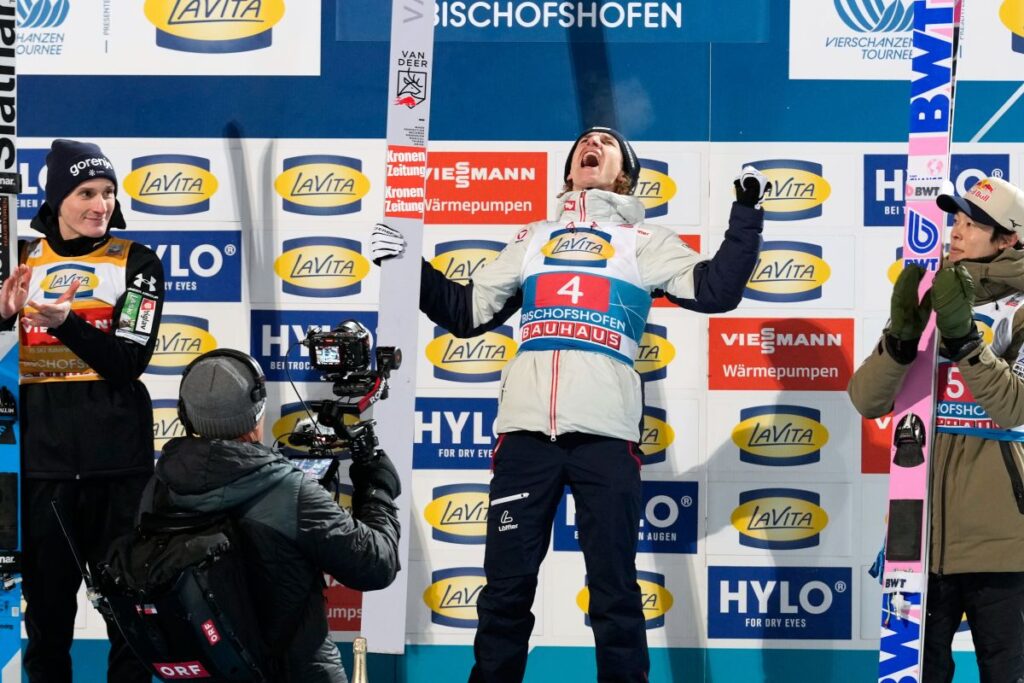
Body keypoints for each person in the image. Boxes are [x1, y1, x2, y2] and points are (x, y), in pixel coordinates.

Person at [372, 126, 766, 683]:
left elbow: (717, 290)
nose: (591, 145)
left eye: (606, 144)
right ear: (569, 170)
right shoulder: (534, 238)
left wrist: (746, 214)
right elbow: (466, 311)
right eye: (584, 142)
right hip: (526, 439)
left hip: (604, 439)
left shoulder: (643, 241)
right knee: (505, 593)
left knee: (614, 591)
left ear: (625, 175)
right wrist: (405, 265)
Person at [0, 140, 165, 682]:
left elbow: (128, 362)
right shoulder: (19, 258)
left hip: (119, 471)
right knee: (47, 621)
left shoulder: (137, 261)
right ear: (57, 198)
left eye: (108, 192)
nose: (102, 205)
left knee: (130, 619)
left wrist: (66, 323)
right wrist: (2, 320)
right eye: (86, 193)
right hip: (42, 470)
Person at [849, 176, 1024, 682]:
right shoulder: (927, 294)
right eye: (956, 220)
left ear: (1008, 239)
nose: (957, 232)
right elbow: (867, 399)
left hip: (1003, 541)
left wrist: (965, 338)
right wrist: (902, 341)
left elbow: (1014, 406)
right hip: (916, 536)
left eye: (974, 225)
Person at [139, 348, 401, 682]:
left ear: (185, 414)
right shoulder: (289, 491)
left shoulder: (158, 486)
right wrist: (377, 488)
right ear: (257, 412)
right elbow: (376, 565)